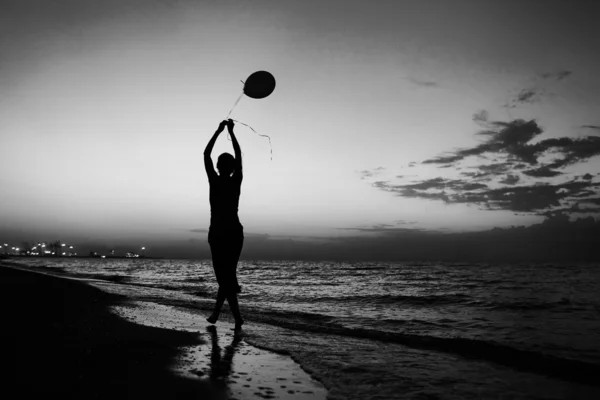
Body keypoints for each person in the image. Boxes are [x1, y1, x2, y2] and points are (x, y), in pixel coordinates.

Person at [204, 119, 245, 330]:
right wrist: (231, 132)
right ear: (231, 168)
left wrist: (220, 131)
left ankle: (222, 314)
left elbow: (205, 155)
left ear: (220, 166)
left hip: (222, 233)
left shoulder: (215, 179)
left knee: (225, 275)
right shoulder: (234, 180)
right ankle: (230, 317)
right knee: (227, 275)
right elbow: (239, 156)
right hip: (232, 233)